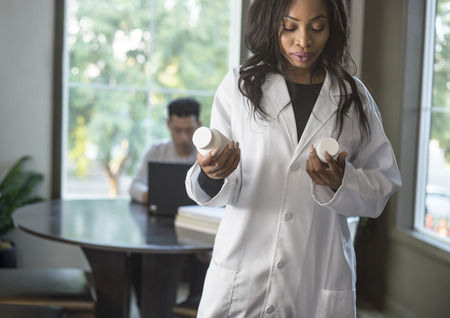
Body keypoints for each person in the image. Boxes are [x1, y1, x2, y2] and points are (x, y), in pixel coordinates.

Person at [185, 0, 402, 317]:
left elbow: (383, 185)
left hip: (316, 274)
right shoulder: (240, 86)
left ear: (333, 27)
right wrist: (213, 173)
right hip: (243, 272)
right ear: (271, 23)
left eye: (317, 27)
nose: (303, 40)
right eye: (289, 27)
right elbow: (218, 176)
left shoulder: (354, 99)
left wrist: (342, 181)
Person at [129, 98, 208, 317]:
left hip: (197, 231)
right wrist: (151, 194)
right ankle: (151, 310)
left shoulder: (207, 156)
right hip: (160, 229)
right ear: (168, 126)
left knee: (206, 260)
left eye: (189, 130)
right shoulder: (156, 151)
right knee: (140, 258)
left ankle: (195, 309)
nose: (183, 137)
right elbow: (134, 185)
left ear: (199, 125)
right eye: (177, 130)